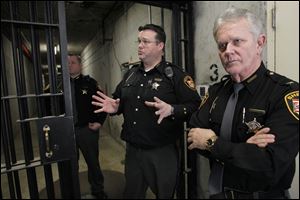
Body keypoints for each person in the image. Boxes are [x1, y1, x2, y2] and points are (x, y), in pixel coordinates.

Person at [187, 7, 299, 199]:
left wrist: (212, 142)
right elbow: (193, 136)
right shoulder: (216, 91)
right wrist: (245, 150)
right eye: (222, 45)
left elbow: (270, 162)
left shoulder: (286, 93)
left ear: (259, 43)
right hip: (217, 194)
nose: (228, 51)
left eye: (237, 41)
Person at [91, 24, 201, 199]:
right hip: (133, 151)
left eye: (146, 42)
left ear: (160, 46)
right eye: (139, 41)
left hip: (162, 152)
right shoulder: (130, 75)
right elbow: (118, 100)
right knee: (132, 194)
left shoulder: (175, 75)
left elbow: (195, 104)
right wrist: (115, 108)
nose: (140, 45)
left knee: (164, 194)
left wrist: (172, 109)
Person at [68, 54, 107, 199]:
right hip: (66, 132)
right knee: (70, 165)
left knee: (92, 163)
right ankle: (71, 191)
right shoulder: (59, 84)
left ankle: (98, 190)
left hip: (86, 130)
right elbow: (46, 105)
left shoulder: (90, 83)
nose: (69, 65)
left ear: (80, 65)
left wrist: (99, 122)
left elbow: (104, 102)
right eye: (67, 63)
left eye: (72, 62)